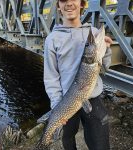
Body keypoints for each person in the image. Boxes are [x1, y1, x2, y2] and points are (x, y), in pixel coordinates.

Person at [44, 0, 113, 149]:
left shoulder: (93, 34)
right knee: (68, 141)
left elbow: (105, 67)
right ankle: (45, 141)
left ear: (82, 4)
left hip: (92, 98)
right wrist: (57, 105)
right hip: (66, 101)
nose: (69, 3)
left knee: (101, 144)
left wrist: (106, 50)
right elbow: (51, 78)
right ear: (58, 5)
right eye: (63, 0)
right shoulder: (52, 40)